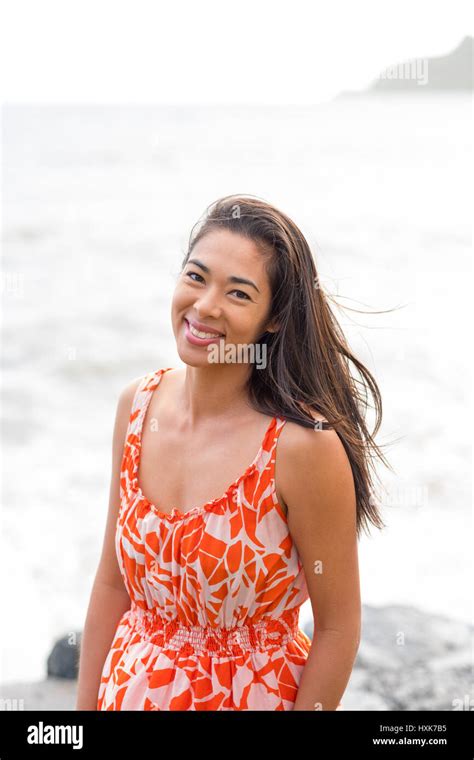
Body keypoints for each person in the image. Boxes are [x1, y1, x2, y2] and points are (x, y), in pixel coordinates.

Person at [76, 194, 389, 711]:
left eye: (238, 294)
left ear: (273, 320)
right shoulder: (137, 407)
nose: (204, 307)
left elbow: (338, 628)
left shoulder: (302, 447)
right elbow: (112, 582)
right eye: (196, 277)